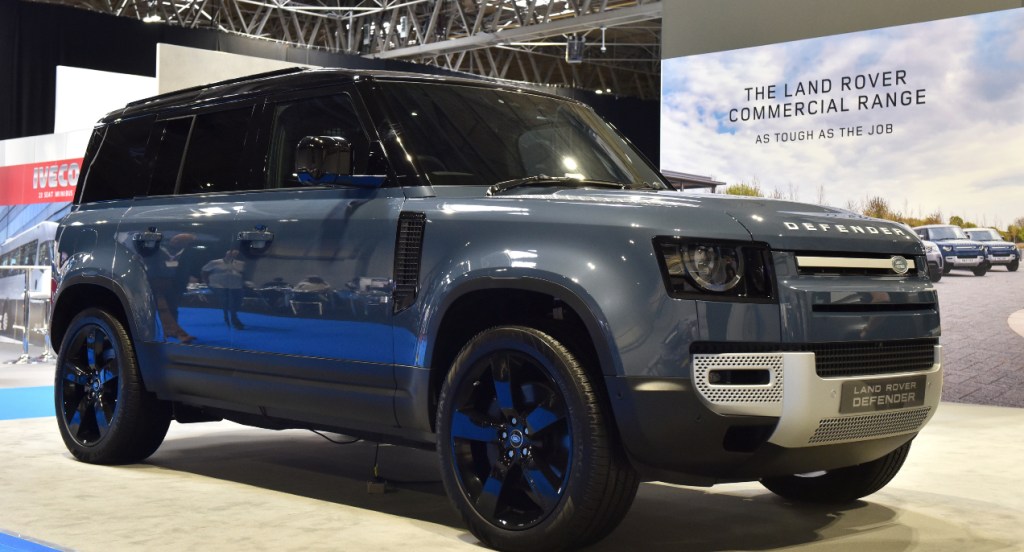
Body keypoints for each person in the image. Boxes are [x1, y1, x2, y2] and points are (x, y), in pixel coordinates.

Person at [202, 249, 246, 330]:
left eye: (235, 254)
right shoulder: (215, 262)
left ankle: (228, 315)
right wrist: (207, 282)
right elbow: (205, 270)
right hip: (219, 286)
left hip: (236, 286)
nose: (233, 255)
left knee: (237, 302)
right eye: (231, 254)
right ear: (227, 254)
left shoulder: (241, 264)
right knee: (228, 301)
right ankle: (234, 319)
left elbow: (244, 274)